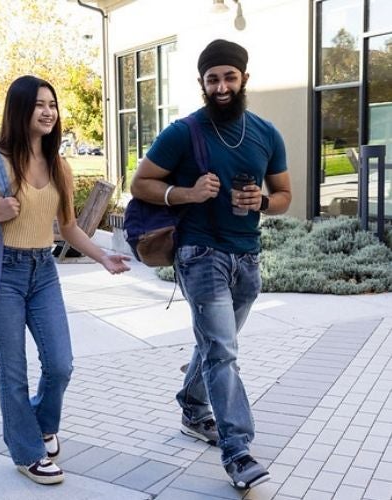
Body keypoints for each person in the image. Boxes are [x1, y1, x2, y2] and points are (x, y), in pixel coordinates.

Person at [0, 75, 130, 485]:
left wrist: (102, 256)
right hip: (0, 274)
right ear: (20, 110)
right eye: (39, 104)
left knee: (60, 363)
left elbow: (69, 226)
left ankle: (43, 425)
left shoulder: (59, 164)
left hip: (44, 273)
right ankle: (28, 452)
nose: (49, 112)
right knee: (13, 371)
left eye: (53, 104)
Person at [130, 39, 291, 490]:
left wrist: (262, 199)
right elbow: (140, 182)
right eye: (212, 78)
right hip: (200, 253)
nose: (221, 86)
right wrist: (187, 193)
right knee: (223, 349)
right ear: (201, 83)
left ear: (243, 79)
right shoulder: (184, 132)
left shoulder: (266, 133)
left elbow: (283, 196)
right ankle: (237, 450)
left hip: (247, 254)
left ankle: (191, 404)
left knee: (215, 342)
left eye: (229, 77)